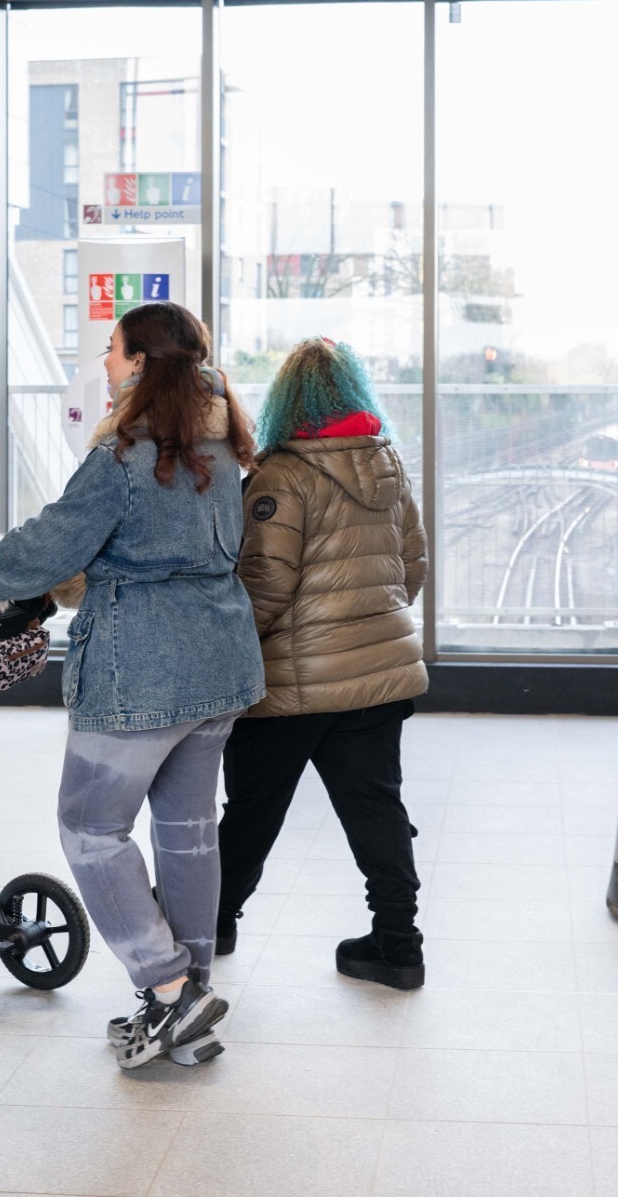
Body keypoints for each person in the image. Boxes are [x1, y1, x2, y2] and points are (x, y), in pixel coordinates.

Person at [0, 300, 264, 1069]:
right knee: (187, 832)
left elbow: (44, 548)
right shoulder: (227, 452)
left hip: (139, 669)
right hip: (220, 663)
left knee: (88, 828)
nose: (105, 365)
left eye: (112, 351)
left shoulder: (125, 461)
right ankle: (188, 1000)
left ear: (141, 363)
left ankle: (171, 989)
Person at [216, 337, 429, 989]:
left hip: (288, 687)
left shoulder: (282, 477)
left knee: (252, 813)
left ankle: (212, 926)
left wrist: (225, 661)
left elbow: (264, 588)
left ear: (285, 400)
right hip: (377, 679)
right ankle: (398, 947)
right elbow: (412, 568)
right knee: (378, 814)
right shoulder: (387, 463)